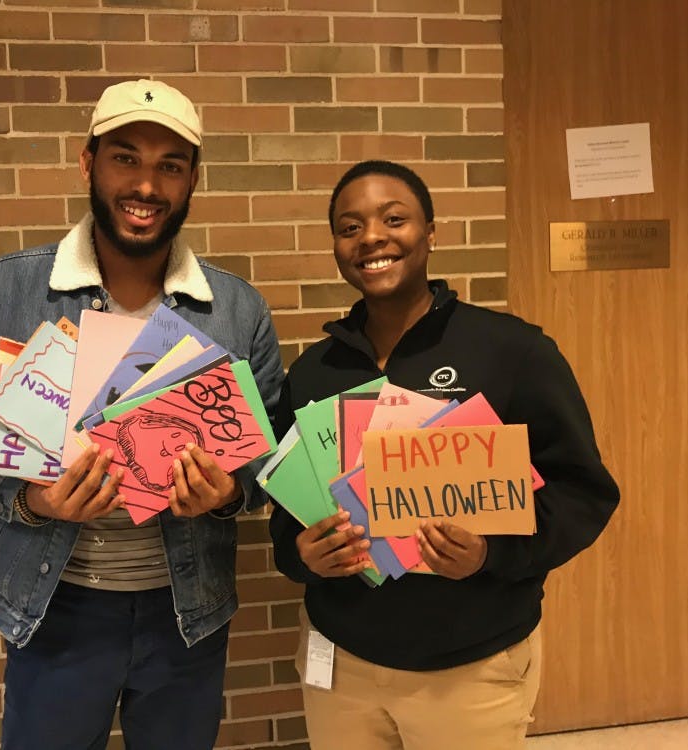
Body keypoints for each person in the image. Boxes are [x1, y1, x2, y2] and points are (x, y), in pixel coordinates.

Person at [0, 79, 284, 750]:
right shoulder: (1, 293)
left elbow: (266, 462)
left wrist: (231, 492)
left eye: (170, 165)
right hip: (55, 608)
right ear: (88, 163)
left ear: (192, 181)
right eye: (126, 157)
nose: (146, 184)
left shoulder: (239, 311)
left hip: (187, 616)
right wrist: (30, 500)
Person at [268, 160, 619, 749]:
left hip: (472, 667)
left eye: (394, 218)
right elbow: (287, 519)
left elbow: (583, 494)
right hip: (343, 667)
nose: (371, 237)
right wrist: (304, 556)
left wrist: (491, 553)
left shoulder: (512, 353)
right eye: (349, 227)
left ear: (431, 233)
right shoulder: (312, 374)